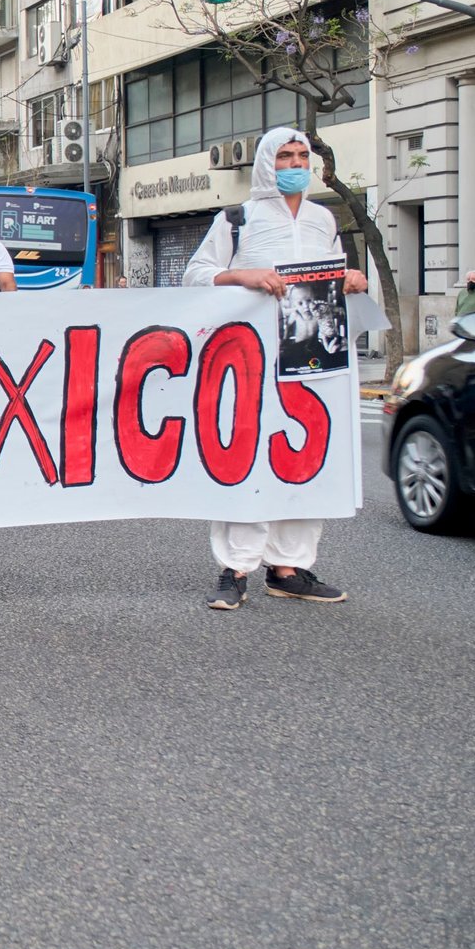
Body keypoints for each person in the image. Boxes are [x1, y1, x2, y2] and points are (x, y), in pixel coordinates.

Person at [184, 127, 369, 610]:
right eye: (284, 156)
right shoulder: (238, 219)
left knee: (306, 456)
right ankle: (235, 568)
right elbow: (196, 274)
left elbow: (330, 274)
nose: (294, 164)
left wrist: (349, 277)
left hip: (312, 357)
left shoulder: (323, 218)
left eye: (301, 155)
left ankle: (289, 569)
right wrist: (242, 275)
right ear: (267, 163)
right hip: (251, 358)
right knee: (246, 456)